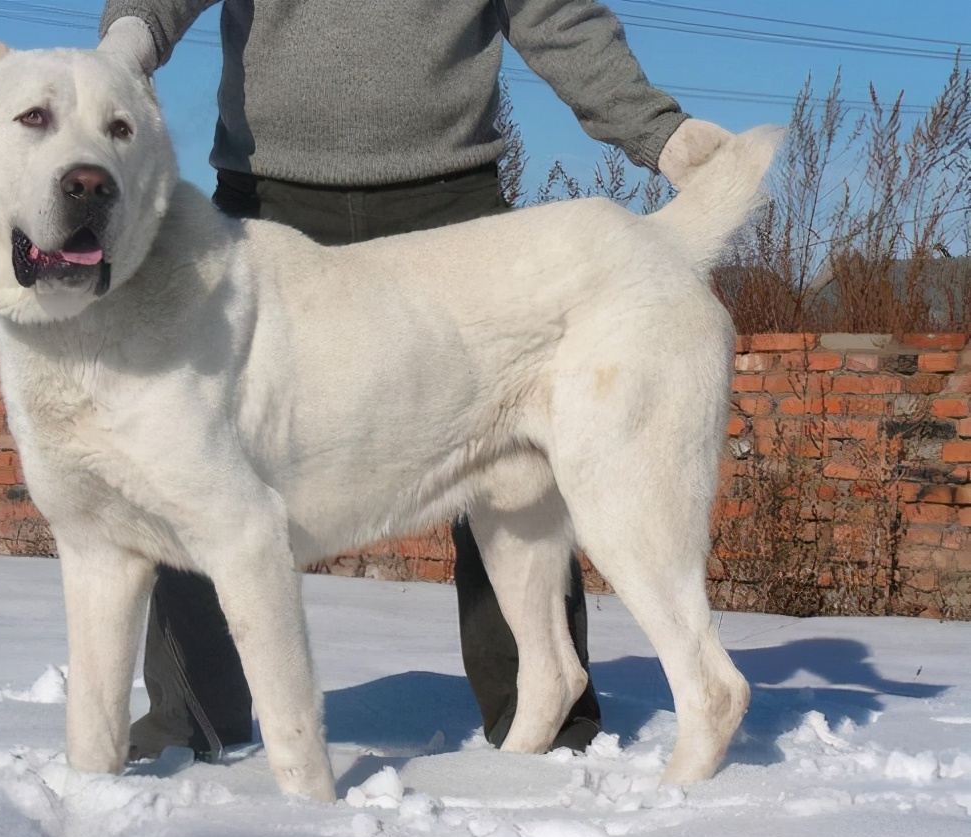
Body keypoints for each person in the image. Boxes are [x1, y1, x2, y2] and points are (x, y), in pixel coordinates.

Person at [97, 0, 731, 763]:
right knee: (190, 453)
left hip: (449, 204)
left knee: (515, 467)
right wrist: (129, 39)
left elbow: (554, 14)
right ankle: (188, 720)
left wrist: (658, 132)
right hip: (267, 199)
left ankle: (548, 720)